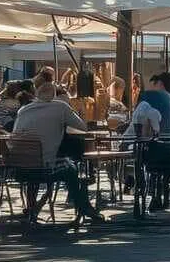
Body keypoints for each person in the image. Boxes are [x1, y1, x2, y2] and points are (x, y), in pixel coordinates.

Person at [9, 81, 103, 224]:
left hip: (20, 169)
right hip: (45, 169)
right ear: (54, 96)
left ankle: (32, 208)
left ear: (37, 94)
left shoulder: (23, 110)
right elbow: (82, 127)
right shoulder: (60, 107)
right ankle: (84, 208)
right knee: (71, 169)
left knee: (50, 162)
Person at [128, 72, 170, 210]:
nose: (151, 87)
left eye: (154, 84)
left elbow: (139, 117)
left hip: (153, 149)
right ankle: (156, 194)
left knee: (135, 152)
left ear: (160, 84)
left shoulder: (153, 96)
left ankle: (138, 188)